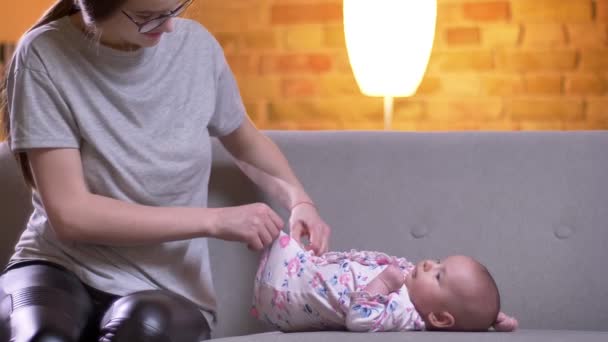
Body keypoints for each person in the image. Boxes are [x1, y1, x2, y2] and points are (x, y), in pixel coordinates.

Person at [0, 0, 331, 341]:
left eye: (177, 9)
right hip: (58, 267)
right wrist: (216, 221)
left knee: (140, 332)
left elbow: (244, 140)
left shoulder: (197, 48)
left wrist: (299, 199)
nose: (170, 27)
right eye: (147, 17)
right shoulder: (43, 54)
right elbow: (72, 215)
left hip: (166, 288)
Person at [252, 232, 518, 333]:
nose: (429, 264)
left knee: (267, 231)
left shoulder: (404, 312)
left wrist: (382, 285)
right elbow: (466, 306)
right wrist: (491, 317)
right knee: (269, 231)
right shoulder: (414, 287)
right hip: (305, 269)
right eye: (438, 261)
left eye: (438, 276)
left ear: (438, 318)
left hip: (287, 293)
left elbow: (359, 320)